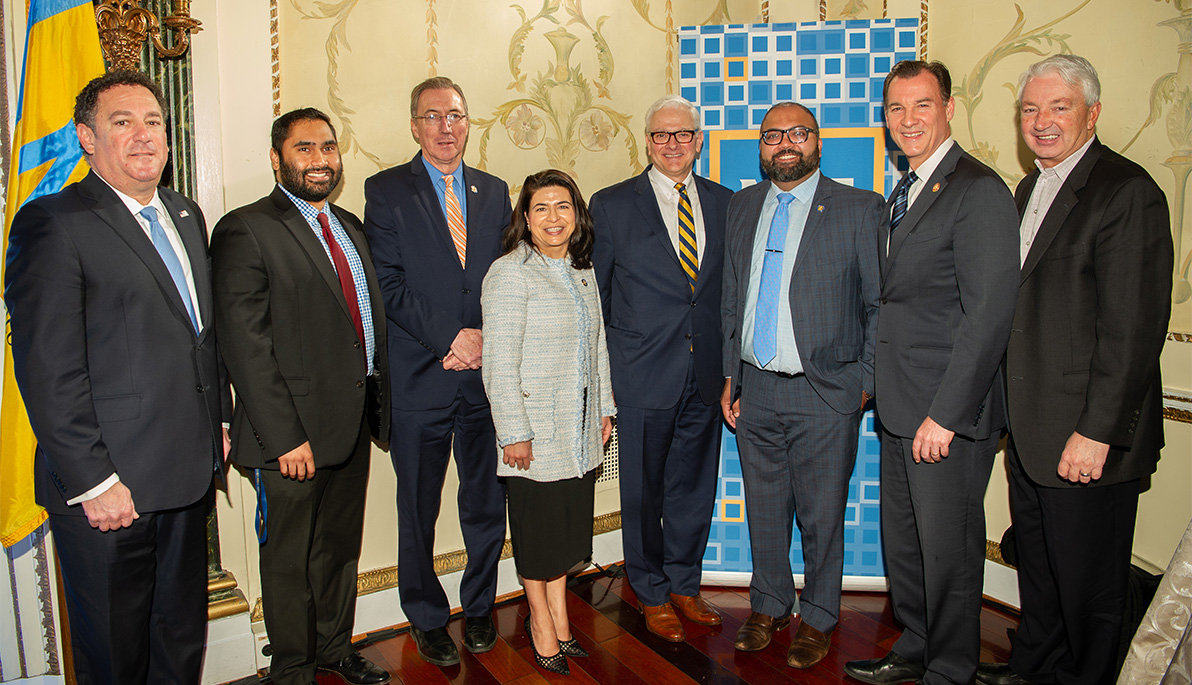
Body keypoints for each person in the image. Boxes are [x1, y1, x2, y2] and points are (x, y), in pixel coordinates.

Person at [4, 70, 230, 684]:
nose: (143, 136)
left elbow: (201, 337)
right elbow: (48, 371)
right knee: (115, 658)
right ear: (86, 137)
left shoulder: (185, 214)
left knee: (179, 641)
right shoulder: (53, 221)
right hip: (111, 491)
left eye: (153, 122)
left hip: (186, 474)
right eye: (121, 123)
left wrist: (222, 421)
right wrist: (94, 480)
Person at [976, 54, 1172, 685]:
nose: (1042, 121)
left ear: (1092, 113)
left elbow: (1133, 331)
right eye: (1030, 109)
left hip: (1088, 438)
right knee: (1041, 568)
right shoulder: (1029, 189)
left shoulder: (1126, 191)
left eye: (1058, 106)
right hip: (1031, 432)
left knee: (1090, 591)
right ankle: (1036, 667)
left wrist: (1098, 432)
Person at [843, 60, 1019, 685]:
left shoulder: (978, 190)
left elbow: (988, 316)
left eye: (921, 105)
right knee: (909, 547)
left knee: (948, 552)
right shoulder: (908, 189)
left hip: (945, 413)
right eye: (896, 109)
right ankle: (916, 646)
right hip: (898, 406)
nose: (908, 120)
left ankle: (950, 670)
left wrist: (946, 414)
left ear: (948, 106)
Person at [211, 108, 392, 685]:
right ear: (277, 158)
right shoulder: (245, 228)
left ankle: (335, 649)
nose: (320, 160)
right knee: (288, 562)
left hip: (352, 425)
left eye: (329, 148)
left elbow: (361, 325)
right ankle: (292, 670)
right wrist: (285, 436)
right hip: (292, 437)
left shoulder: (351, 226)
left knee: (339, 551)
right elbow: (246, 347)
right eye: (305, 149)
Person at [720, 102, 882, 668]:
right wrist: (730, 374)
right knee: (764, 507)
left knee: (821, 514)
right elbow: (732, 297)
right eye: (772, 136)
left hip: (826, 392)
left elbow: (878, 305)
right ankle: (769, 603)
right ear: (760, 147)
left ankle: (817, 614)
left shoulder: (861, 208)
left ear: (817, 142)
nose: (784, 143)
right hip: (755, 388)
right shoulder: (741, 206)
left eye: (797, 133)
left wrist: (862, 384)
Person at [363, 76, 511, 666]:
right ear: (415, 125)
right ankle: (425, 616)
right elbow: (388, 285)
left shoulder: (495, 190)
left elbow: (507, 280)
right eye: (433, 116)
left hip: (483, 381)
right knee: (417, 509)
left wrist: (482, 342)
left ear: (468, 122)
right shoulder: (386, 190)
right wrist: (452, 338)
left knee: (484, 504)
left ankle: (478, 608)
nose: (445, 128)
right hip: (421, 379)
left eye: (455, 116)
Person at [589, 95, 732, 641]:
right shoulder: (612, 204)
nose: (671, 144)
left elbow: (727, 295)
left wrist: (731, 374)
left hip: (706, 376)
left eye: (682, 134)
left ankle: (684, 585)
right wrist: (601, 385)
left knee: (694, 488)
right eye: (660, 135)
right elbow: (597, 301)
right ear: (646, 142)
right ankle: (649, 591)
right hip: (640, 375)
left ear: (698, 141)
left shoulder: (725, 203)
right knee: (643, 494)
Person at [481, 169, 615, 675]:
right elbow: (498, 363)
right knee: (538, 534)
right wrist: (513, 432)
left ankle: (561, 617)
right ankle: (540, 622)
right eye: (541, 208)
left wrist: (604, 407)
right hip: (533, 433)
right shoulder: (511, 272)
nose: (553, 218)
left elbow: (597, 345)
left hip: (579, 429)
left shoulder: (583, 270)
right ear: (525, 217)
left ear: (577, 215)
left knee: (564, 531)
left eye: (563, 206)